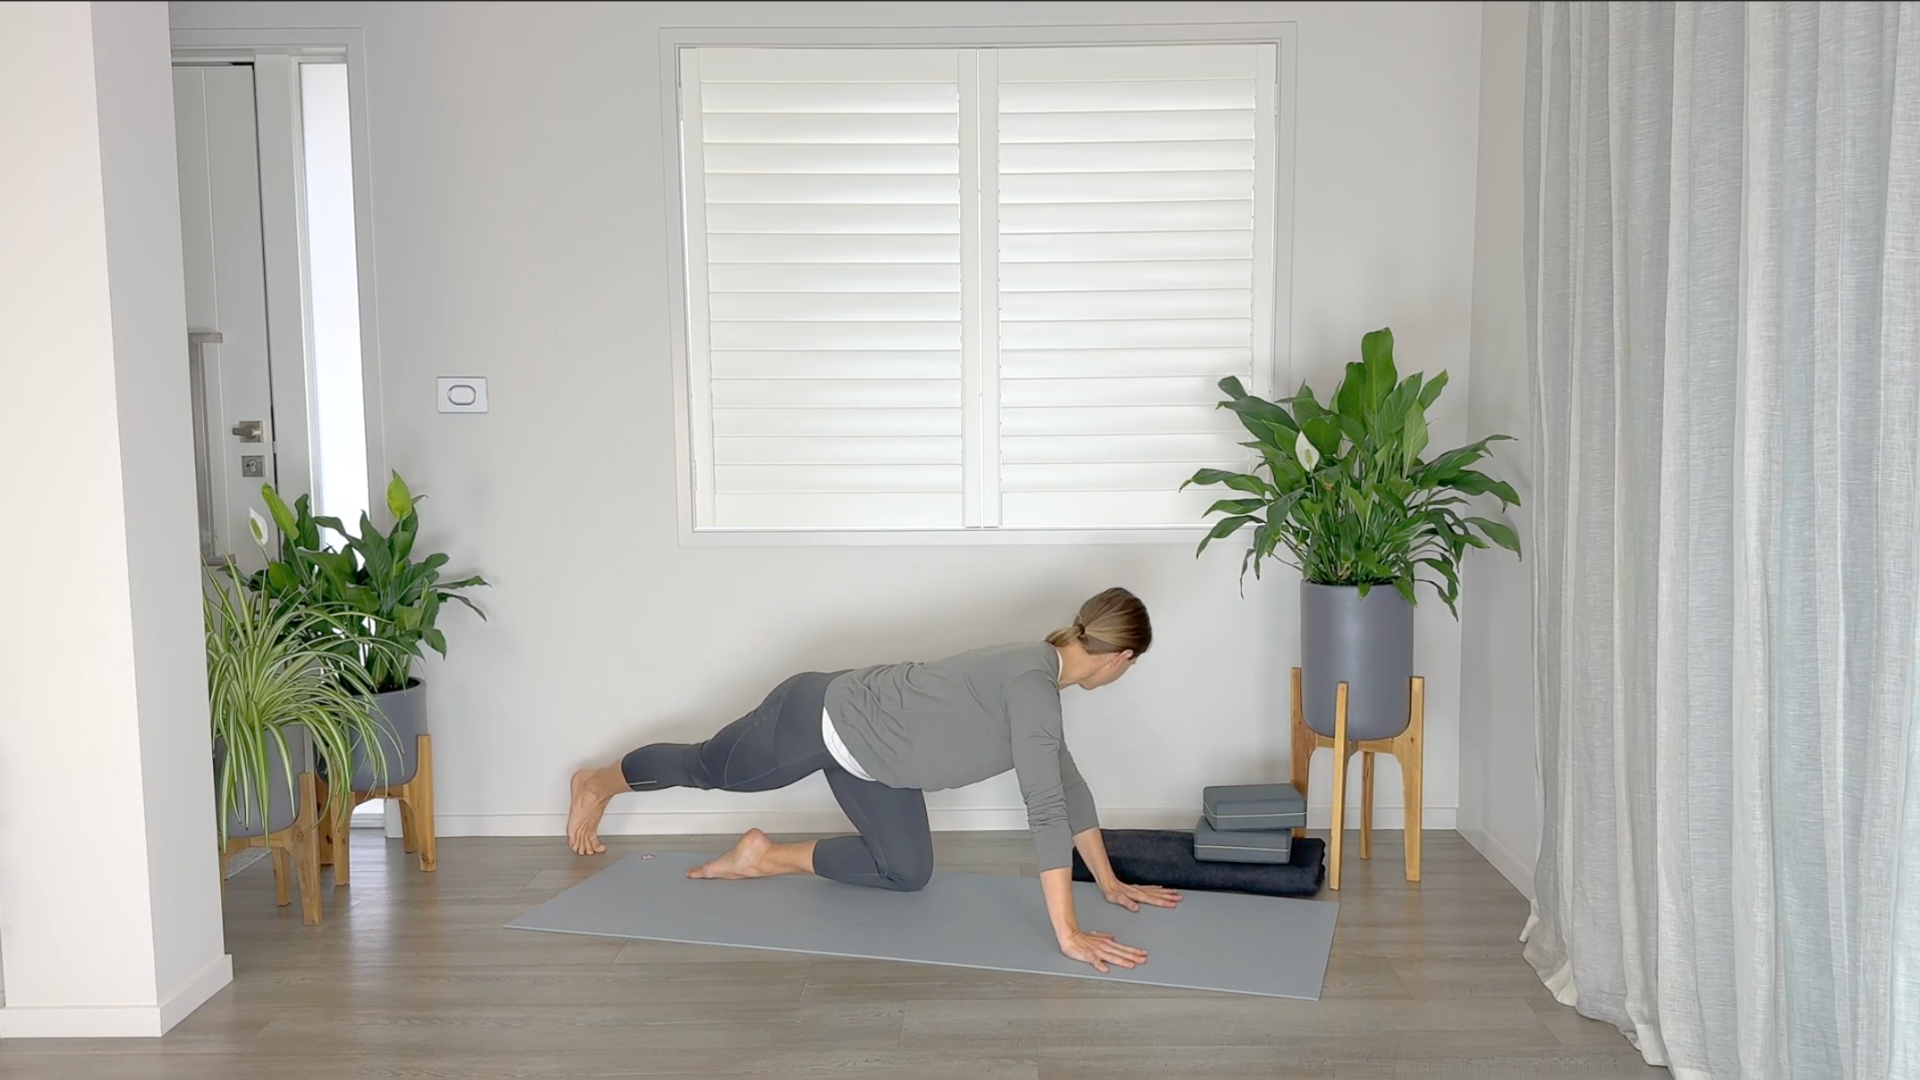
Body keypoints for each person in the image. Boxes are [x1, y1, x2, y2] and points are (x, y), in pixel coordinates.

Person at [565, 587, 1180, 972]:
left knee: (906, 871)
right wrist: (1068, 934)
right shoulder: (1032, 685)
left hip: (879, 760)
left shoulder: (1039, 686)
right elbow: (1045, 808)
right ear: (1120, 658)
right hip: (818, 718)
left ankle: (763, 857)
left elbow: (1066, 785)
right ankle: (597, 782)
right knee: (708, 768)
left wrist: (1108, 880)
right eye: (1131, 665)